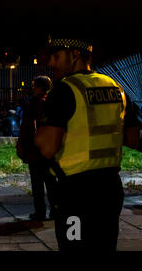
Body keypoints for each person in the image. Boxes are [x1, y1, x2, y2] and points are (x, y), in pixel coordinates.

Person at [35, 35, 140, 251]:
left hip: (76, 194)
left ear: (75, 55)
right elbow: (133, 139)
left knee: (74, 245)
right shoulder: (116, 88)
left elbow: (47, 148)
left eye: (56, 56)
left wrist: (37, 135)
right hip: (109, 190)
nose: (51, 63)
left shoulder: (64, 90)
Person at [16, 76, 56, 221]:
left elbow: (27, 127)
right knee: (51, 181)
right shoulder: (52, 103)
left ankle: (40, 212)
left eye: (34, 86)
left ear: (40, 87)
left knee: (37, 183)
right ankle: (55, 210)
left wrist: (21, 144)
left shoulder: (34, 105)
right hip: (50, 148)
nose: (32, 89)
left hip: (35, 149)